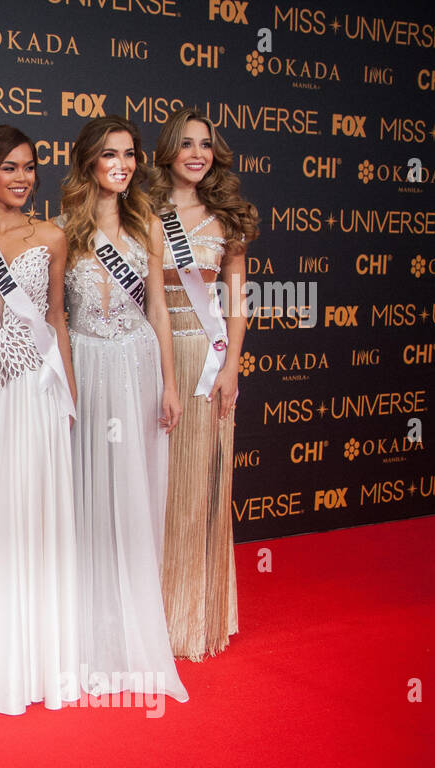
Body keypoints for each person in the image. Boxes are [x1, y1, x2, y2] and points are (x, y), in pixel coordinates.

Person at [58, 116, 188, 702]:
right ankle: (89, 629)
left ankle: (136, 621)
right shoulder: (62, 230)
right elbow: (55, 321)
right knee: (88, 494)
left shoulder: (148, 225)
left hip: (136, 367)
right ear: (88, 160)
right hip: (86, 367)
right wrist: (63, 384)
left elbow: (158, 309)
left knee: (135, 489)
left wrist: (169, 381)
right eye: (110, 153)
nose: (123, 163)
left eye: (130, 154)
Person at [0, 125, 80, 714]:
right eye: (10, 168)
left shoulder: (53, 236)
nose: (23, 178)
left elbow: (57, 319)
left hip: (34, 394)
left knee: (30, 515)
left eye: (30, 167)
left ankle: (34, 654)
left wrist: (71, 401)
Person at [151, 107, 259, 661]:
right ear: (168, 150)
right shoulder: (141, 210)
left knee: (200, 490)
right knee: (156, 489)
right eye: (187, 144)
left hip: (207, 358)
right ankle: (147, 613)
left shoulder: (227, 219)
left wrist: (232, 365)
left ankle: (193, 613)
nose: (198, 154)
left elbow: (236, 302)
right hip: (152, 359)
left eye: (207, 145)